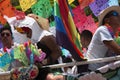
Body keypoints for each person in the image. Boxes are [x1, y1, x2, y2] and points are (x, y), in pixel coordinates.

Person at [86, 6, 120, 71]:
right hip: (94, 70)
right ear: (107, 20)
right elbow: (117, 50)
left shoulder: (113, 36)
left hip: (103, 69)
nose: (119, 16)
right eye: (116, 14)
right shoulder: (102, 29)